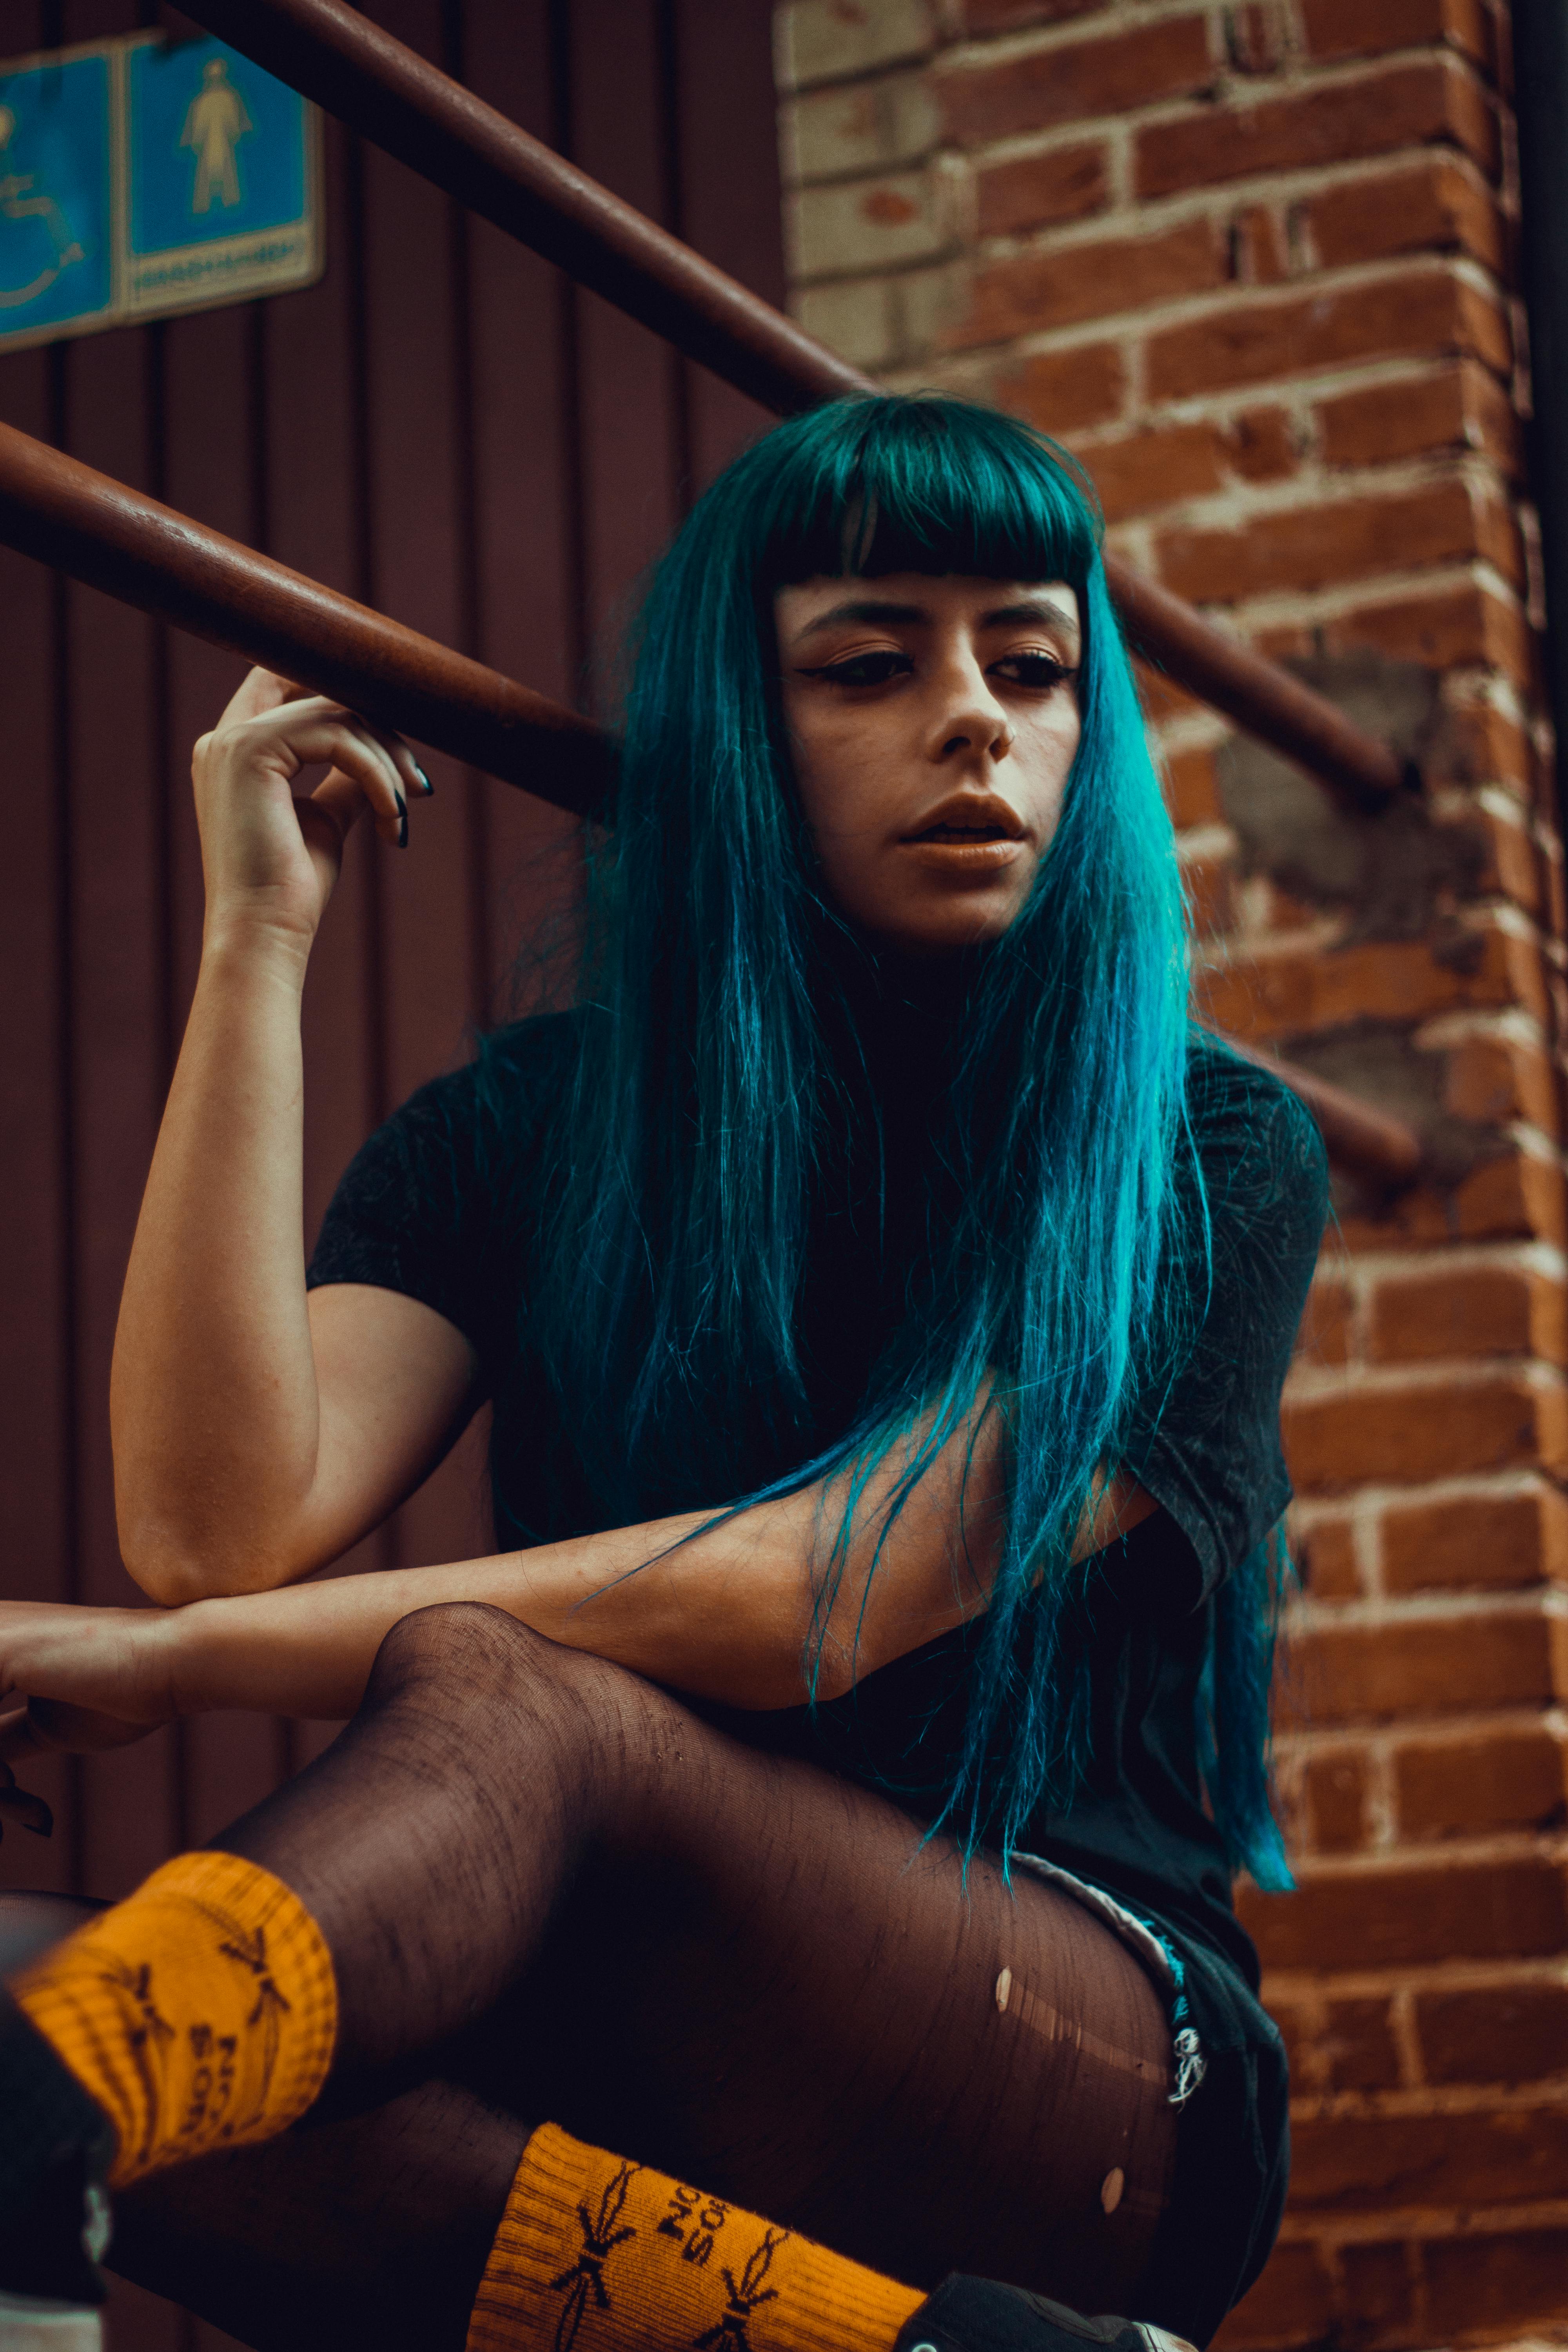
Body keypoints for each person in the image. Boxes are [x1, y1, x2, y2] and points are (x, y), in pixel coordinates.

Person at [0, 396, 1327, 2352]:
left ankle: (39, 2125)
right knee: (38, 1994)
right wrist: (257, 938)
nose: (974, 718)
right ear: (738, 732)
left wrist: (156, 1663)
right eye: (870, 663)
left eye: (1032, 666)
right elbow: (211, 1522)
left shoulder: (1199, 1153)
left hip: (1084, 2058)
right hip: (638, 2052)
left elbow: (817, 1597)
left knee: (526, 1711)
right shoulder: (530, 1133)